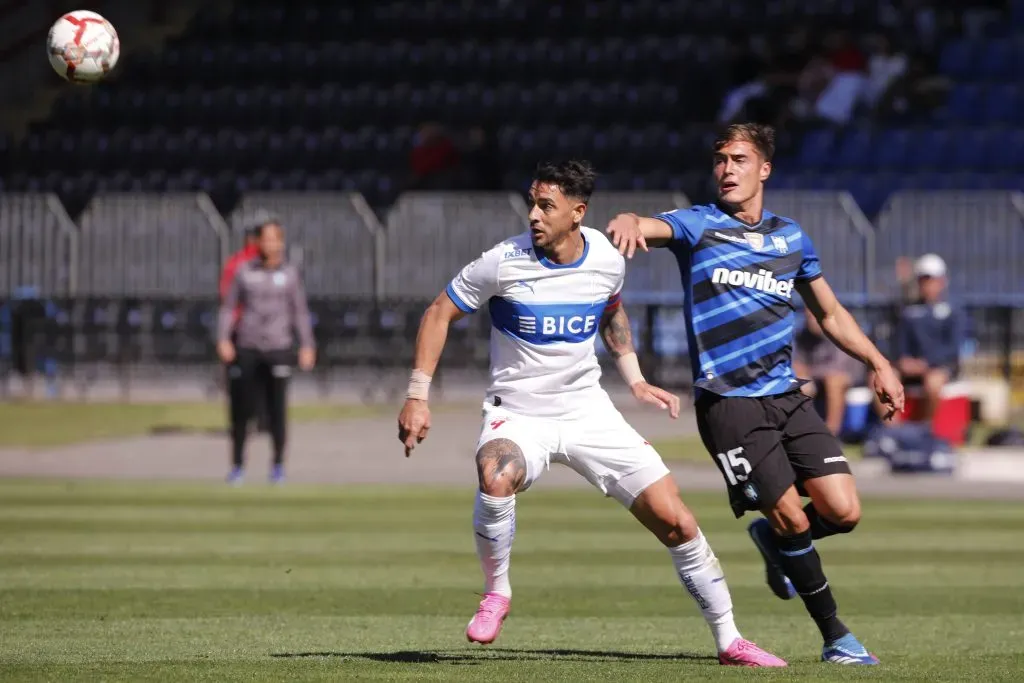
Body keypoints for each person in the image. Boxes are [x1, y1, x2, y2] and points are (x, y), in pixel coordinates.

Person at [396, 160, 786, 667]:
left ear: (578, 213)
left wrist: (636, 378)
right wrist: (417, 394)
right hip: (518, 414)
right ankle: (497, 592)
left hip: (588, 413)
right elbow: (437, 312)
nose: (534, 214)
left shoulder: (606, 256)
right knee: (496, 474)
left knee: (678, 522)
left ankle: (730, 640)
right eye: (532, 203)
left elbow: (611, 309)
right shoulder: (503, 261)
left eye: (546, 206)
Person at [605, 123, 904, 666]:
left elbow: (830, 313)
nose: (727, 169)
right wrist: (628, 221)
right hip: (729, 403)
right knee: (795, 517)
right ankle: (837, 637)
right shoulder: (698, 225)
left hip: (787, 396)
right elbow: (645, 225)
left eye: (739, 159)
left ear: (764, 168)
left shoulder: (792, 238)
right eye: (720, 159)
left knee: (843, 511)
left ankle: (774, 540)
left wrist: (878, 363)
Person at [217, 222, 316, 485]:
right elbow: (228, 307)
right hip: (248, 346)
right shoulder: (244, 272)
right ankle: (237, 466)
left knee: (277, 411)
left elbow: (299, 311)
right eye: (265, 239)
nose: (270, 244)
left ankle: (278, 466)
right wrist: (223, 338)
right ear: (257, 243)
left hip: (278, 347)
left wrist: (307, 344)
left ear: (281, 243)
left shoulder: (290, 274)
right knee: (241, 411)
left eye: (275, 239)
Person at [893, 253, 965, 421]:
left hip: (940, 367)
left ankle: (926, 431)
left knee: (933, 383)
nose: (929, 286)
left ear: (942, 282)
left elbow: (953, 347)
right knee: (881, 377)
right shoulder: (908, 312)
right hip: (912, 368)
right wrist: (903, 360)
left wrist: (926, 363)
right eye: (924, 281)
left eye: (932, 280)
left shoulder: (953, 312)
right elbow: (900, 342)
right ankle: (894, 433)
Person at [219, 222, 268, 433]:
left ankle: (248, 420)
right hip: (249, 328)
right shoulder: (240, 264)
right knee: (254, 378)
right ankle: (257, 420)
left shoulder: (239, 263)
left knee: (245, 379)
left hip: (247, 327)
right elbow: (228, 296)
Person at [793, 307, 860, 436]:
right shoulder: (804, 335)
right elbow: (798, 363)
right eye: (808, 318)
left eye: (814, 317)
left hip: (849, 376)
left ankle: (831, 433)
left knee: (833, 381)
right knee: (801, 383)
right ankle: (803, 432)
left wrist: (811, 373)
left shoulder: (840, 333)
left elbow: (838, 368)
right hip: (819, 377)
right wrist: (804, 375)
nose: (811, 321)